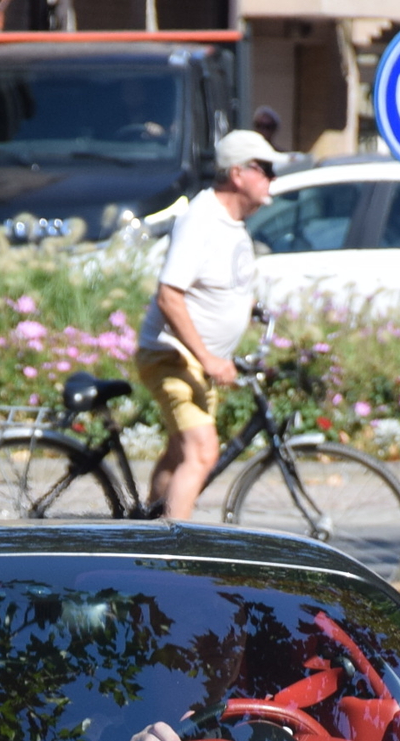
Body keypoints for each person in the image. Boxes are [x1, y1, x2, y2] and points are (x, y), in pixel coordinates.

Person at [132, 129, 281, 522]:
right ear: (238, 173)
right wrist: (209, 360)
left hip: (198, 362)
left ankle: (147, 531)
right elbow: (169, 296)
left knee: (180, 453)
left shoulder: (231, 223)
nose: (272, 178)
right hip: (173, 357)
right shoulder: (201, 219)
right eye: (265, 169)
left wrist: (249, 310)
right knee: (202, 453)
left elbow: (221, 283)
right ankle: (175, 556)